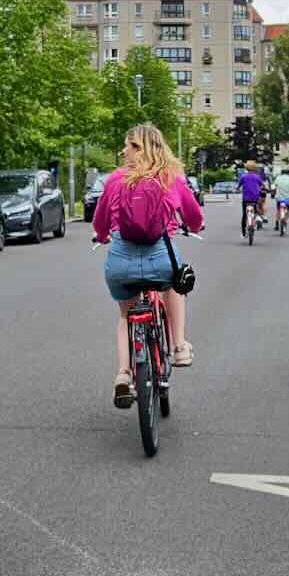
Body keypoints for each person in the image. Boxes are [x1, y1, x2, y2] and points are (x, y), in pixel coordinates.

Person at [90, 123, 205, 408]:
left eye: (128, 146)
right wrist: (194, 226)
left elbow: (99, 222)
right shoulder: (170, 177)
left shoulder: (115, 180)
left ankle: (123, 374)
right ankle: (179, 346)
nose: (123, 151)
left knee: (125, 314)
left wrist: (102, 236)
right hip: (160, 259)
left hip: (121, 262)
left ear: (139, 148)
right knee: (175, 284)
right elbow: (194, 216)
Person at [238, 161, 266, 234]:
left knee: (244, 215)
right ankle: (258, 218)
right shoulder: (257, 177)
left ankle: (244, 233)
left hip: (246, 198)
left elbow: (238, 186)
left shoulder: (243, 176)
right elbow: (263, 185)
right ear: (254, 168)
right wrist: (262, 188)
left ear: (246, 168)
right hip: (255, 198)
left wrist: (237, 188)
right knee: (257, 208)